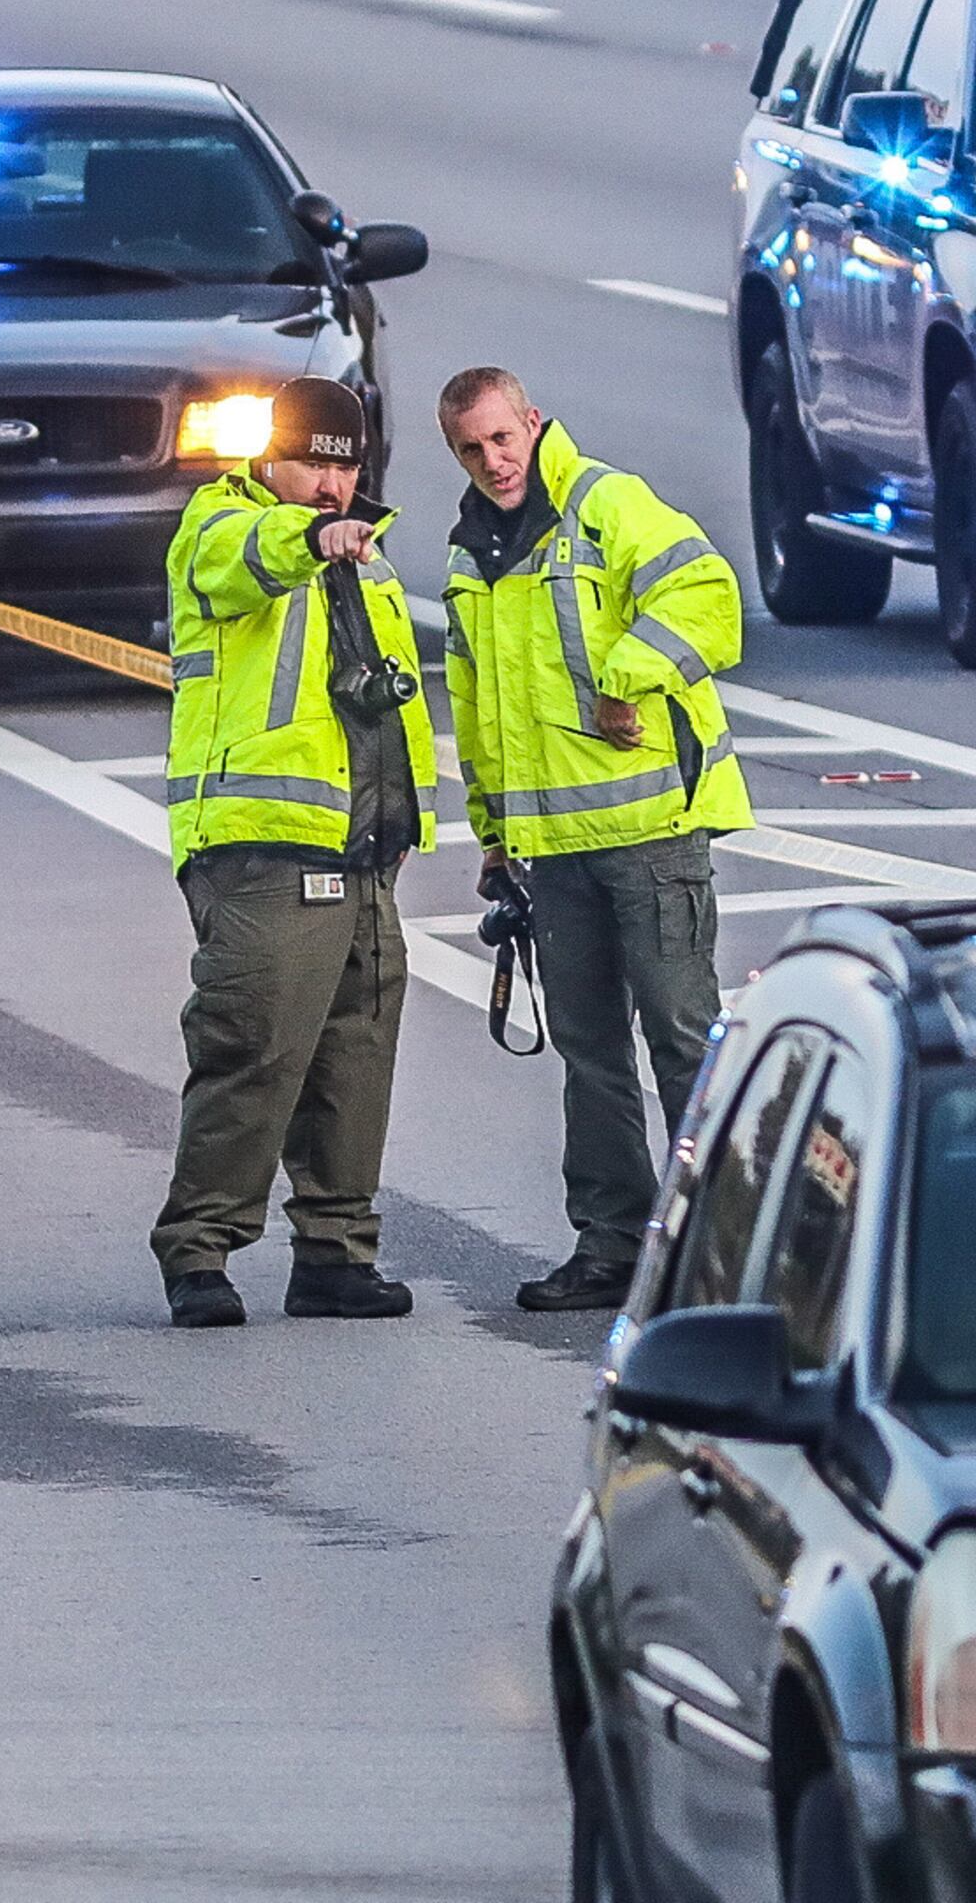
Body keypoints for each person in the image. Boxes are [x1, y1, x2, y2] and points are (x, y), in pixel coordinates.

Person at [435, 367, 752, 1312]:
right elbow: (477, 711)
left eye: (502, 438)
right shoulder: (470, 556)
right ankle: (613, 1243)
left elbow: (706, 592)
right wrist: (495, 837)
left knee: (681, 1040)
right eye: (471, 448)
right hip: (553, 848)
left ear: (532, 423)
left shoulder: (603, 504)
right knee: (589, 1053)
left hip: (651, 832)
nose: (493, 460)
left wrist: (627, 677)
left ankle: (720, 1251)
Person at [151, 376, 438, 1329]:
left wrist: (408, 824)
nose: (329, 483)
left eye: (344, 467)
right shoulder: (223, 525)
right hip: (263, 845)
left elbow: (387, 706)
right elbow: (248, 560)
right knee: (253, 1048)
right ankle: (199, 1251)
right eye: (311, 463)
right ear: (270, 458)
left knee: (355, 1060)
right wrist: (314, 539)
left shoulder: (369, 561)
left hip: (364, 851)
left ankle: (336, 1253)